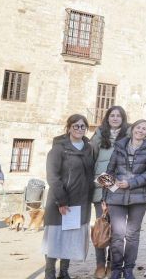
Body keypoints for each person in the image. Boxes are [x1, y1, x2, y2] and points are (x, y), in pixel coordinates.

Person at [42, 114, 95, 279]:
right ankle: (50, 272)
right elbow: (52, 176)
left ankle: (64, 272)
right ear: (69, 127)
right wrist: (61, 201)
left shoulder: (89, 148)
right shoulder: (59, 148)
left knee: (70, 236)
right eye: (76, 126)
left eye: (82, 126)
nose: (79, 129)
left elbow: (90, 174)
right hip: (60, 200)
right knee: (55, 237)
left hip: (80, 201)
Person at [106, 119, 146, 279]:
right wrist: (106, 196)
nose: (141, 130)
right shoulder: (119, 146)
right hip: (116, 196)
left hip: (139, 196)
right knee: (117, 234)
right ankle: (116, 269)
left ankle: (128, 268)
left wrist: (130, 183)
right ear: (132, 129)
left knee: (132, 234)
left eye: (144, 129)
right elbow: (110, 170)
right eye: (138, 127)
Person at [90, 106, 129, 279]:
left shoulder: (128, 135)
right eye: (112, 115)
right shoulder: (99, 135)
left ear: (123, 118)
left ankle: (112, 263)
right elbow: (91, 159)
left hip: (120, 188)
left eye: (118, 116)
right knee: (101, 227)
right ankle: (99, 264)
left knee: (116, 231)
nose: (115, 118)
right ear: (107, 118)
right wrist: (101, 182)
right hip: (101, 187)